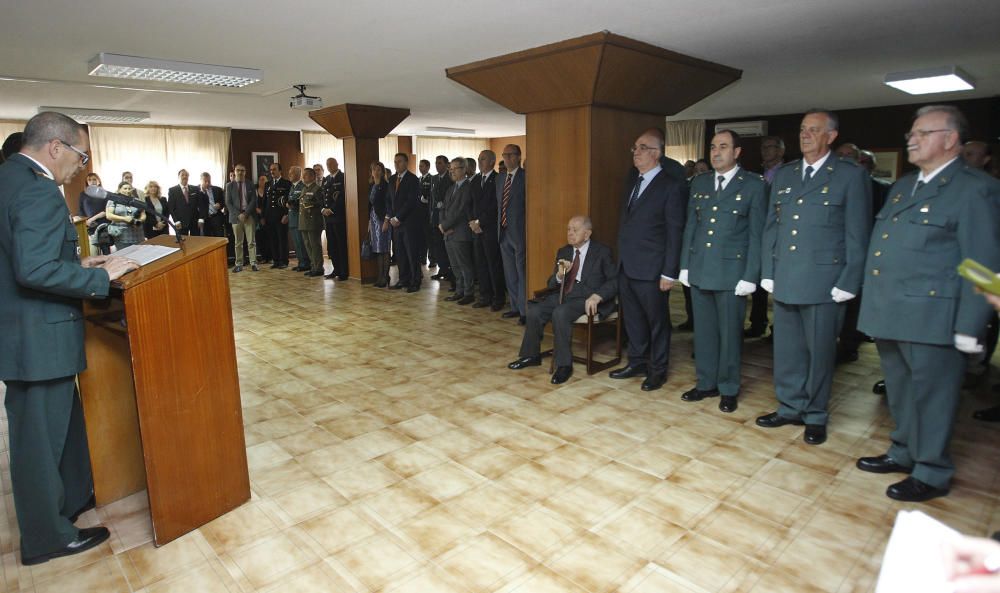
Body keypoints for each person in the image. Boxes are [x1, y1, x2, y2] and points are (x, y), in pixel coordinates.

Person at [0, 111, 139, 566]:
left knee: (53, 432)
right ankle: (47, 536)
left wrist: (79, 265)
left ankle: (71, 499)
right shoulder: (38, 189)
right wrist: (102, 280)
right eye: (79, 155)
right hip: (38, 337)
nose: (80, 166)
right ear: (55, 147)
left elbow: (22, 254)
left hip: (22, 332)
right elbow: (34, 269)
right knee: (39, 443)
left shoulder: (8, 178)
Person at [856, 105, 1000, 502]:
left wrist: (971, 325)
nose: (911, 139)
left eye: (922, 132)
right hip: (891, 311)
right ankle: (903, 451)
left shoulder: (974, 188)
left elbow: (982, 262)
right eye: (911, 133)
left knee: (933, 399)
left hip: (934, 315)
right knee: (901, 392)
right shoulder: (903, 186)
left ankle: (933, 471)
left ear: (950, 139)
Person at [757, 109, 872, 446]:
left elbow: (857, 234)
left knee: (820, 352)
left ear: (831, 136)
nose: (805, 135)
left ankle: (816, 414)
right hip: (787, 275)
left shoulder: (849, 176)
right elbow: (771, 228)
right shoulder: (787, 174)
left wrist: (849, 281)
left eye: (814, 130)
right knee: (787, 350)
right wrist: (768, 270)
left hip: (825, 282)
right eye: (803, 129)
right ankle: (790, 405)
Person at [678, 130, 767, 413]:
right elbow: (691, 226)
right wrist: (684, 265)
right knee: (703, 333)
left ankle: (728, 387)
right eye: (714, 147)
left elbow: (757, 235)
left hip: (732, 273)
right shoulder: (700, 183)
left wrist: (751, 275)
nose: (716, 152)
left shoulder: (753, 185)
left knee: (729, 334)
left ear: (737, 152)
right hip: (701, 268)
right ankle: (706, 382)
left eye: (724, 147)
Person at [609, 128, 686, 391]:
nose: (636, 152)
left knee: (657, 323)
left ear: (656, 153)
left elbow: (675, 232)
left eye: (641, 148)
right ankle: (637, 362)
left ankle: (658, 369)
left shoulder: (671, 186)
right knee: (633, 320)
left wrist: (669, 272)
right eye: (635, 148)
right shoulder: (634, 180)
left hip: (653, 269)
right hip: (627, 266)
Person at [508, 216, 617, 384]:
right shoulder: (564, 251)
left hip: (587, 298)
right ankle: (531, 356)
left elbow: (614, 280)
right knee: (535, 310)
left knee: (561, 313)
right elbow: (551, 283)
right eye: (568, 229)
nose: (570, 233)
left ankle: (564, 365)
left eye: (575, 230)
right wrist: (560, 274)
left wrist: (598, 296)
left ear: (587, 234)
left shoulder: (602, 252)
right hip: (564, 294)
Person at [746, 135, 787, 338]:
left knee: (779, 285)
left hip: (781, 237)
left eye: (770, 147)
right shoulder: (756, 176)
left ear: (780, 151)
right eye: (763, 147)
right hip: (760, 235)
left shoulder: (788, 174)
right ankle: (757, 323)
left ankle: (779, 329)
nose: (765, 151)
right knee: (758, 284)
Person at [470, 149, 504, 310]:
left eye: (482, 159)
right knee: (481, 264)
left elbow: (495, 206)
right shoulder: (476, 180)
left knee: (493, 264)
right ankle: (485, 296)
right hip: (476, 229)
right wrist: (472, 222)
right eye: (478, 158)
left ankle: (498, 298)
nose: (479, 161)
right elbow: (470, 203)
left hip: (489, 229)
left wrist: (480, 222)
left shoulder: (497, 179)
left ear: (492, 161)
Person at [497, 144, 527, 323]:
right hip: (503, 231)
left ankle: (524, 311)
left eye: (510, 155)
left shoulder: (525, 177)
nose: (506, 158)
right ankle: (515, 307)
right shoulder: (500, 178)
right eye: (504, 155)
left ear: (518, 157)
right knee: (510, 273)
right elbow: (499, 205)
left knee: (521, 272)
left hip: (519, 233)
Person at [440, 158, 475, 304]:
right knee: (454, 265)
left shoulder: (468, 187)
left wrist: (445, 226)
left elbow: (460, 211)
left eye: (455, 168)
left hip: (460, 233)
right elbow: (443, 208)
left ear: (464, 169)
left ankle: (469, 293)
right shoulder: (451, 188)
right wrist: (442, 225)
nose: (452, 171)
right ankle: (459, 291)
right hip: (448, 233)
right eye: (450, 169)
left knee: (464, 265)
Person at [387, 152, 423, 292]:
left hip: (409, 223)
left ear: (406, 163)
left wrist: (398, 217)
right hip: (395, 223)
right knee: (400, 253)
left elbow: (411, 202)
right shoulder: (392, 179)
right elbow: (388, 200)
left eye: (400, 161)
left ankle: (415, 281)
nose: (397, 164)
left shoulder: (413, 179)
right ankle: (403, 279)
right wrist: (391, 216)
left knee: (411, 252)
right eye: (395, 161)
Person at [225, 165, 259, 272]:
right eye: (238, 170)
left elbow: (254, 200)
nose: (240, 172)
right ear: (234, 172)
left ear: (245, 172)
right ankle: (239, 264)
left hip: (249, 216)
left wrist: (246, 213)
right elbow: (228, 203)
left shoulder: (250, 184)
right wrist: (238, 214)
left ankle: (253, 263)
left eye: (242, 171)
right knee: (238, 242)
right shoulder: (229, 186)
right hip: (236, 217)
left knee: (251, 241)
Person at [321, 158, 348, 280]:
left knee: (341, 244)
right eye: (327, 164)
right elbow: (322, 197)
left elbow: (343, 197)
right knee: (332, 246)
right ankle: (335, 269)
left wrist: (331, 209)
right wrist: (323, 209)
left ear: (337, 164)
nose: (329, 166)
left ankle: (343, 271)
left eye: (331, 164)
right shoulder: (326, 179)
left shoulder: (343, 177)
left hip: (338, 216)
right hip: (328, 218)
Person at [429, 155, 453, 285]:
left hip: (445, 218)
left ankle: (449, 271)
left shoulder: (450, 178)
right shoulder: (434, 178)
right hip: (435, 217)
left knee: (446, 246)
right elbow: (432, 199)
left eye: (439, 163)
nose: (437, 165)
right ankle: (442, 269)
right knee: (437, 246)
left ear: (446, 164)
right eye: (436, 163)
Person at [297, 167, 325, 277]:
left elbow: (320, 204)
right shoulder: (304, 189)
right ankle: (313, 266)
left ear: (313, 177)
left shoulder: (317, 189)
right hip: (304, 221)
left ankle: (318, 267)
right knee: (308, 245)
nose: (303, 177)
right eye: (303, 175)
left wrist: (311, 205)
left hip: (313, 221)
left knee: (315, 245)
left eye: (306, 175)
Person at [262, 162, 291, 269]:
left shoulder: (286, 184)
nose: (272, 172)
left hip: (281, 217)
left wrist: (286, 215)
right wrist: (263, 217)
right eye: (271, 170)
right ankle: (276, 260)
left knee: (282, 239)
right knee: (272, 239)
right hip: (269, 217)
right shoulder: (268, 184)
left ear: (280, 171)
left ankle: (284, 261)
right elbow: (264, 202)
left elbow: (289, 201)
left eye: (274, 169)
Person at [368, 161, 392, 287]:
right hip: (374, 220)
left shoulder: (386, 185)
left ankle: (385, 276)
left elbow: (389, 205)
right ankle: (380, 276)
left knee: (384, 250)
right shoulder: (372, 185)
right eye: (374, 170)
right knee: (377, 250)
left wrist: (387, 221)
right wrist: (369, 221)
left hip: (383, 220)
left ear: (382, 172)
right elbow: (370, 205)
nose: (376, 172)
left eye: (378, 170)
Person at [105, 183, 147, 250]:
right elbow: (109, 215)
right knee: (124, 257)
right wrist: (124, 219)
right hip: (121, 236)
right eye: (125, 188)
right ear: (119, 190)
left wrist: (139, 220)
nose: (127, 190)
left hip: (138, 235)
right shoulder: (113, 200)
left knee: (140, 256)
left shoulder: (137, 201)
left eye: (129, 188)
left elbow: (143, 215)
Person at [76, 173, 108, 254]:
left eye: (94, 179)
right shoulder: (83, 194)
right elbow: (81, 210)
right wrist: (85, 222)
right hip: (89, 225)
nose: (92, 181)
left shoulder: (104, 193)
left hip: (102, 224)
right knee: (92, 252)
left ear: (98, 181)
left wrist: (93, 218)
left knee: (105, 250)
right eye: (89, 180)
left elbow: (107, 210)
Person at [167, 169, 206, 236]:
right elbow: (171, 207)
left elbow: (201, 205)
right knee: (183, 242)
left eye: (186, 175)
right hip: (180, 222)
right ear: (178, 177)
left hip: (195, 222)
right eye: (182, 175)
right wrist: (176, 221)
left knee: (195, 241)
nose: (185, 176)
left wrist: (201, 218)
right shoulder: (172, 190)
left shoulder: (195, 189)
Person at [286, 166, 309, 271]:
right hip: (292, 219)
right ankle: (301, 262)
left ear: (298, 174)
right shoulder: (292, 187)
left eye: (292, 173)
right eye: (289, 173)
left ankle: (305, 263)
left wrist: (292, 205)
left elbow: (301, 202)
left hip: (299, 219)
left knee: (301, 243)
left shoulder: (302, 186)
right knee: (296, 243)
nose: (289, 175)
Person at [418, 159, 435, 268]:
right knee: (421, 238)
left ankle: (432, 259)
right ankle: (422, 257)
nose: (420, 168)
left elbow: (431, 194)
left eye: (422, 166)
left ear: (428, 167)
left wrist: (426, 198)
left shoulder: (431, 178)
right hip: (419, 213)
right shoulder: (418, 179)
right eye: (419, 166)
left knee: (430, 238)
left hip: (427, 212)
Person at [199, 172, 226, 239]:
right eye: (205, 181)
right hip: (204, 219)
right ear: (201, 180)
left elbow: (223, 202)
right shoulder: (196, 190)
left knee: (219, 238)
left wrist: (220, 204)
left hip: (216, 217)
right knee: (207, 239)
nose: (207, 183)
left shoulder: (217, 189)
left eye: (209, 181)